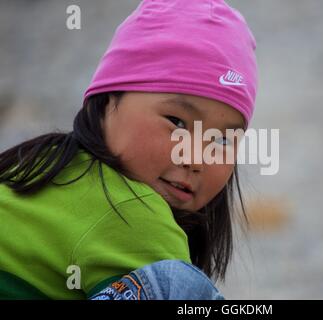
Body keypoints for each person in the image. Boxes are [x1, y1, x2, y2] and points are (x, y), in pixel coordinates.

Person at [0, 0, 257, 300]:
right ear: (108, 100)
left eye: (222, 141)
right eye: (177, 122)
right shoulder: (133, 215)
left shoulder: (38, 166)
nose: (197, 157)